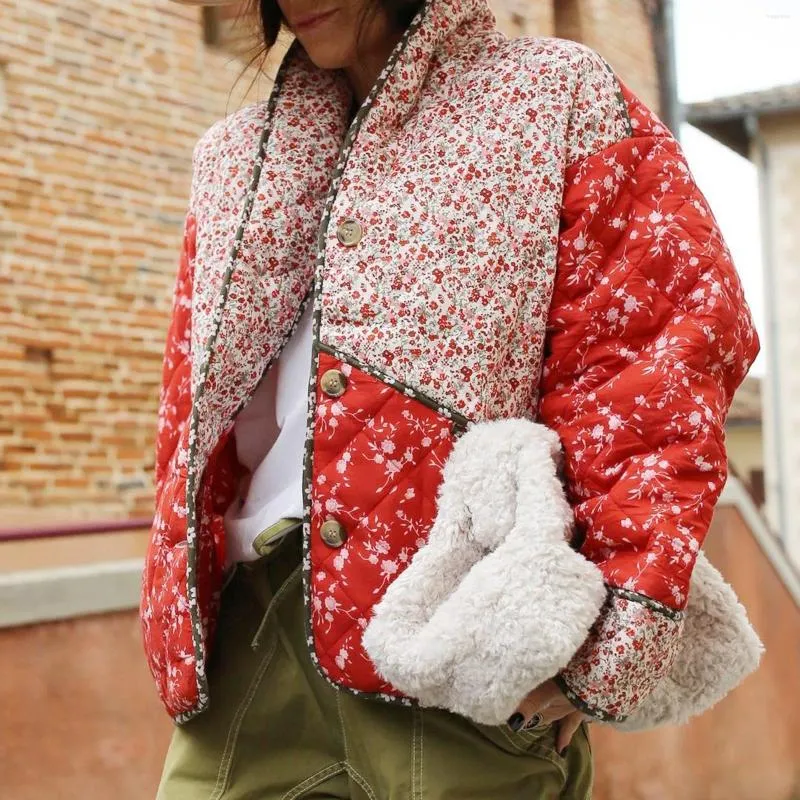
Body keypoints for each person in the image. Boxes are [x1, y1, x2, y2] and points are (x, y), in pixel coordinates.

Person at [143, 0, 761, 796]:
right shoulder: (231, 158)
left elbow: (656, 360)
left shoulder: (553, 95)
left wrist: (614, 628)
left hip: (463, 642)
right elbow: (187, 424)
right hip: (250, 640)